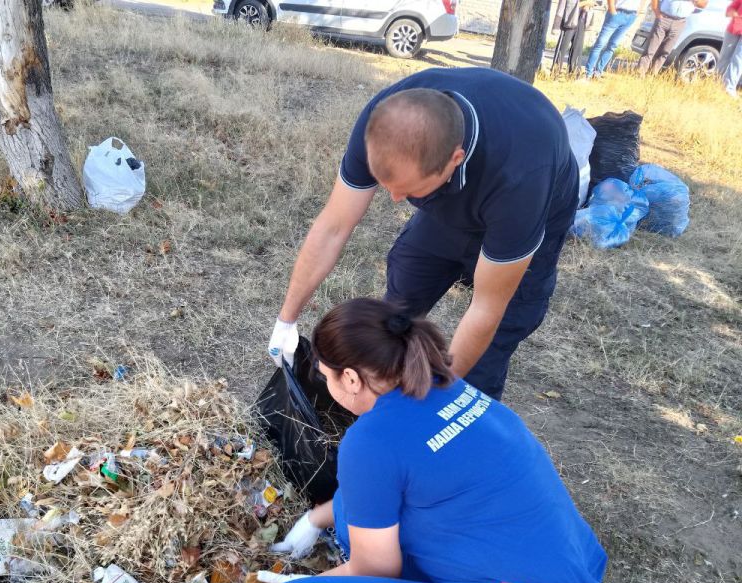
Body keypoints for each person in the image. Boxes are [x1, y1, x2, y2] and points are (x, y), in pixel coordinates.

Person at [260, 298, 608, 583]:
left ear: (350, 378)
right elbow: (385, 486)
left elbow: (375, 572)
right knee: (358, 521)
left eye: (325, 374)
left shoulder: (371, 438)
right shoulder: (451, 392)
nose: (324, 382)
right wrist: (317, 518)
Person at [267, 68, 579, 401]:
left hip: (529, 204)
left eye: (408, 190)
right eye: (385, 185)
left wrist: (436, 402)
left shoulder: (520, 181)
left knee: (489, 351)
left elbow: (486, 309)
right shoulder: (385, 121)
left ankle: (452, 423)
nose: (395, 199)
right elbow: (333, 226)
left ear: (454, 161)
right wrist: (287, 319)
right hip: (454, 198)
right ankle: (383, 389)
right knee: (403, 295)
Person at [637, 0, 709, 75]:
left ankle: (652, 74)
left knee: (665, 51)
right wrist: (656, 11)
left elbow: (703, 4)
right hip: (664, 18)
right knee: (650, 49)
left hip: (680, 22)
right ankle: (640, 74)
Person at [584, 0, 643, 78]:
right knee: (600, 43)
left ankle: (598, 72)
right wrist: (612, 8)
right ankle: (588, 73)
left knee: (612, 46)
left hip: (631, 16)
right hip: (617, 12)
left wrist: (638, 11)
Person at [552, 0, 597, 76]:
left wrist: (589, 5)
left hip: (582, 20)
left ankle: (573, 74)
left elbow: (597, 3)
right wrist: (585, 3)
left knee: (577, 48)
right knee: (563, 48)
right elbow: (564, 6)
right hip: (569, 20)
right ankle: (555, 72)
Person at [716, 0, 742, 96]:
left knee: (738, 61)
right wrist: (734, 13)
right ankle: (715, 83)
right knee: (724, 57)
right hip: (734, 29)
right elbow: (730, 8)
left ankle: (729, 88)